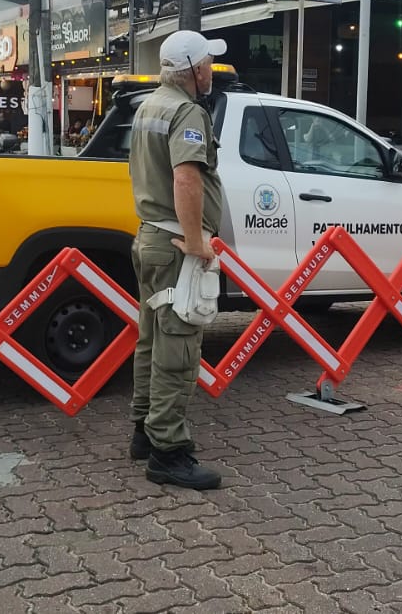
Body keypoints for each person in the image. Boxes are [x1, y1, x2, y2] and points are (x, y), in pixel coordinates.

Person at [127, 29, 228, 491]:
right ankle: (168, 451)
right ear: (192, 68)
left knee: (152, 340)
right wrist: (195, 240)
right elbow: (186, 178)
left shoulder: (150, 105)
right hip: (174, 244)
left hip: (150, 237)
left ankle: (145, 433)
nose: (211, 70)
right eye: (208, 62)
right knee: (178, 347)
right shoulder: (187, 110)